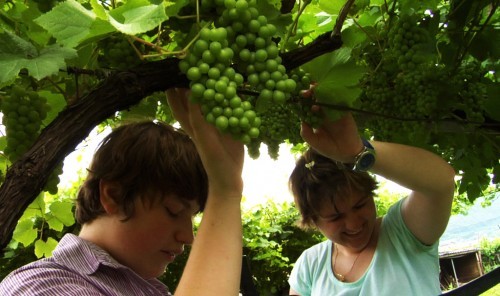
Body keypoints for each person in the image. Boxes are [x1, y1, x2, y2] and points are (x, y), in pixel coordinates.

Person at [0, 88, 245, 296]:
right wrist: (225, 192)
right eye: (174, 211)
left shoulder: (150, 290)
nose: (188, 237)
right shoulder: (41, 287)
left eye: (192, 217)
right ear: (113, 196)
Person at [287, 112, 456, 295]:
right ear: (312, 220)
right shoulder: (309, 264)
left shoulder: (403, 233)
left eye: (360, 205)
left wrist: (357, 151)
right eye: (336, 217)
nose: (354, 224)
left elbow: (441, 182)